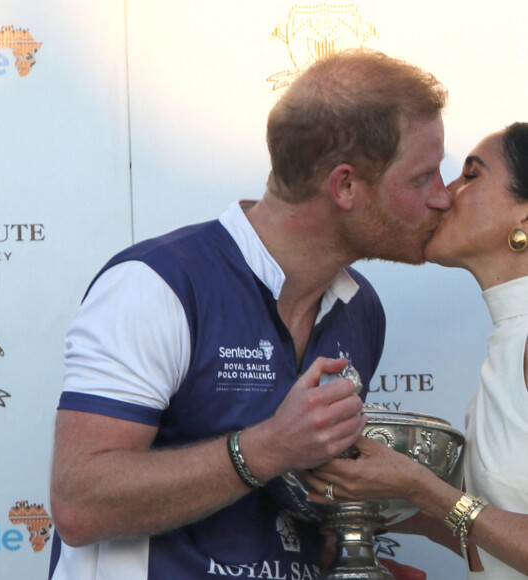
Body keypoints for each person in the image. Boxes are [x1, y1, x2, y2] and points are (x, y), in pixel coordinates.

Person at [48, 48, 452, 580]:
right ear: (346, 186)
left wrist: (346, 556)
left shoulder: (360, 308)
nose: (443, 198)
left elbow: (285, 511)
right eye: (423, 177)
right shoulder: (159, 284)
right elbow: (80, 503)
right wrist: (266, 447)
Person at [305, 122, 528, 578]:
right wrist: (369, 507)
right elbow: (496, 540)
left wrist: (426, 490)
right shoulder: (508, 347)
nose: (444, 195)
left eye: (471, 176)